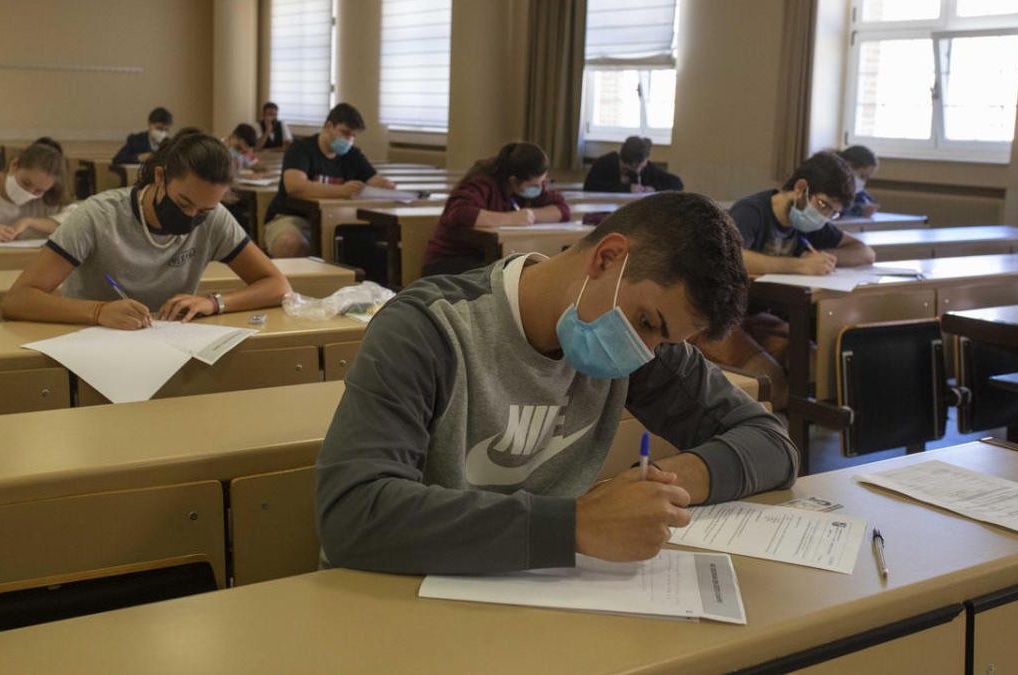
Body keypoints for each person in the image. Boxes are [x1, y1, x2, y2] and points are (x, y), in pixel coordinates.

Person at [316, 191, 797, 574]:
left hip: (541, 599)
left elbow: (773, 443)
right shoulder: (430, 329)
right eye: (648, 322)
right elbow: (353, 514)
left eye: (665, 341)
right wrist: (575, 526)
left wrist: (662, 487)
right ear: (607, 258)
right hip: (411, 597)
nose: (646, 352)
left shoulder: (643, 352)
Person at [2, 132, 291, 329]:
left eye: (203, 211)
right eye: (184, 203)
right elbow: (18, 299)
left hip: (171, 343)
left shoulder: (216, 218)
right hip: (93, 339)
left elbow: (277, 286)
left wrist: (214, 303)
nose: (191, 217)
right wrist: (99, 311)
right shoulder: (98, 216)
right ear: (160, 176)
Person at [692, 151, 876, 409]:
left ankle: (801, 425)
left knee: (815, 363)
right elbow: (734, 257)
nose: (825, 217)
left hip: (756, 317)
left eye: (833, 214)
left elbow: (864, 252)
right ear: (801, 189)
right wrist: (800, 265)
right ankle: (775, 434)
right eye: (824, 206)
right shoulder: (751, 211)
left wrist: (825, 257)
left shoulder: (812, 221)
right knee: (771, 379)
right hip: (715, 319)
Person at [262, 103, 396, 258]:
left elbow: (373, 179)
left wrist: (386, 186)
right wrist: (341, 191)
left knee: (368, 245)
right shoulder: (300, 149)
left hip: (340, 220)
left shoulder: (353, 155)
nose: (349, 140)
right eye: (345, 133)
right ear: (328, 126)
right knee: (291, 244)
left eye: (353, 136)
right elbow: (295, 187)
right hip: (294, 218)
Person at [422, 142, 571, 277]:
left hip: (487, 259)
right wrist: (512, 218)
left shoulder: (531, 187)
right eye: (535, 184)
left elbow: (562, 210)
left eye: (544, 181)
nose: (541, 188)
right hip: (449, 263)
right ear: (513, 181)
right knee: (508, 278)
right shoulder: (482, 183)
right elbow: (460, 213)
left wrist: (531, 215)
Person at [583, 136, 683, 194]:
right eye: (642, 165)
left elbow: (677, 183)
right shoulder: (605, 163)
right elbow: (589, 187)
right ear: (632, 164)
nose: (645, 165)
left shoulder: (647, 168)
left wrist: (654, 188)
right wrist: (626, 188)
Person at [838, 145, 880, 218]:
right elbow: (834, 211)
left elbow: (869, 200)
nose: (863, 182)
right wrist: (859, 210)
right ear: (846, 168)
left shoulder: (859, 193)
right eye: (862, 176)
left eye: (867, 178)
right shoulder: (827, 189)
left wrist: (868, 206)